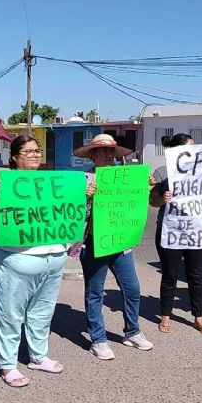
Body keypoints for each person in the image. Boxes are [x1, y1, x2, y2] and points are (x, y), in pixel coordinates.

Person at [0, 135, 68, 387]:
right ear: (15, 157)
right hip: (16, 259)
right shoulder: (5, 182)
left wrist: (85, 194)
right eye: (28, 152)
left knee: (42, 312)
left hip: (53, 258)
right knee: (10, 313)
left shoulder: (52, 182)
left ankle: (38, 356)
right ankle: (8, 365)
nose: (35, 155)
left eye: (37, 151)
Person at [71, 134, 153, 360]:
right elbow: (72, 215)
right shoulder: (84, 180)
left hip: (121, 244)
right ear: (93, 155)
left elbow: (133, 207)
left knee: (132, 289)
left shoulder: (125, 178)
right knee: (95, 292)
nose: (109, 156)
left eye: (111, 152)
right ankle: (98, 339)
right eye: (103, 151)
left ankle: (133, 331)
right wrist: (85, 198)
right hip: (95, 244)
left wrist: (144, 188)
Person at [150, 133, 202, 335]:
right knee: (170, 276)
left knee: (196, 276)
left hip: (196, 232)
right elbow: (153, 201)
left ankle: (198, 317)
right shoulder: (162, 172)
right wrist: (163, 198)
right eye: (189, 148)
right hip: (171, 231)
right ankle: (165, 316)